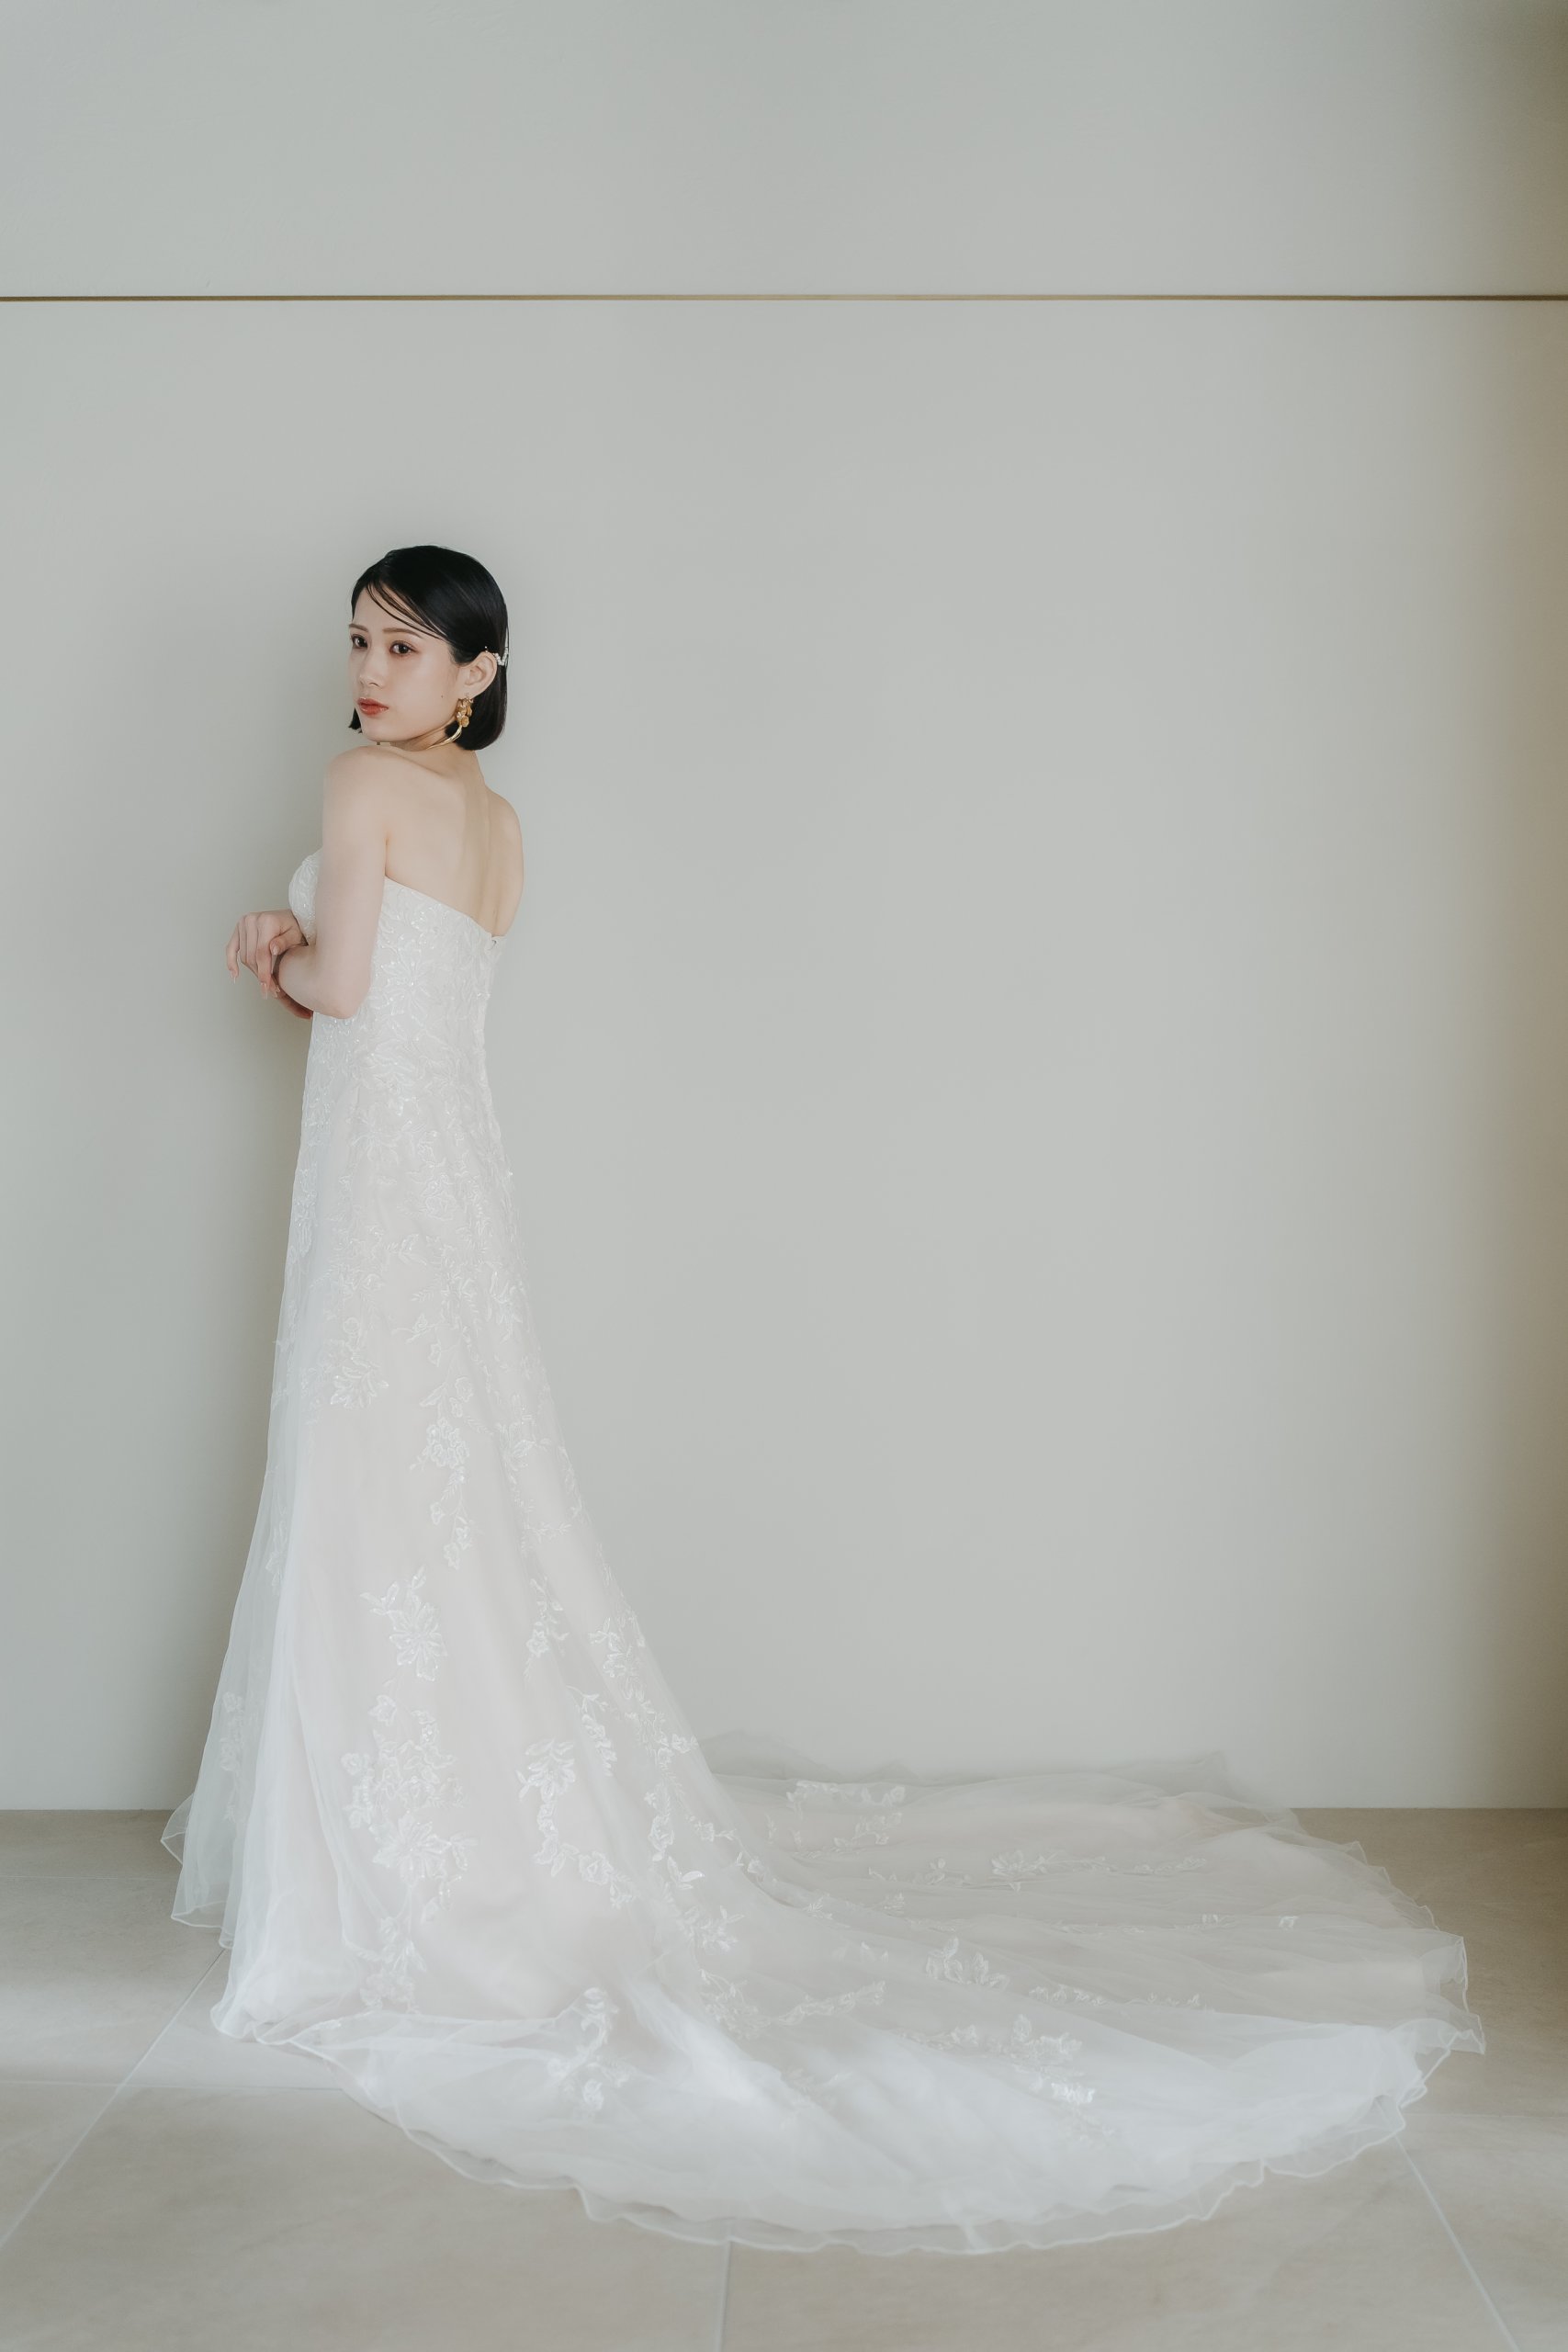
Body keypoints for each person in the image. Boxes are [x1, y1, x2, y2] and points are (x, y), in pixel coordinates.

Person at [164, 542, 1484, 2258]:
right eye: (359, 641)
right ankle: (460, 1822)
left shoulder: (361, 787)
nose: (368, 671)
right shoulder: (502, 824)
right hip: (460, 1185)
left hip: (378, 1186)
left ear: (478, 671)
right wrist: (320, 956)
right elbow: (427, 1001)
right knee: (455, 1489)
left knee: (380, 1480)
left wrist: (271, 946)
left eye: (405, 648)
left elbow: (349, 995)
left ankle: (396, 1847)